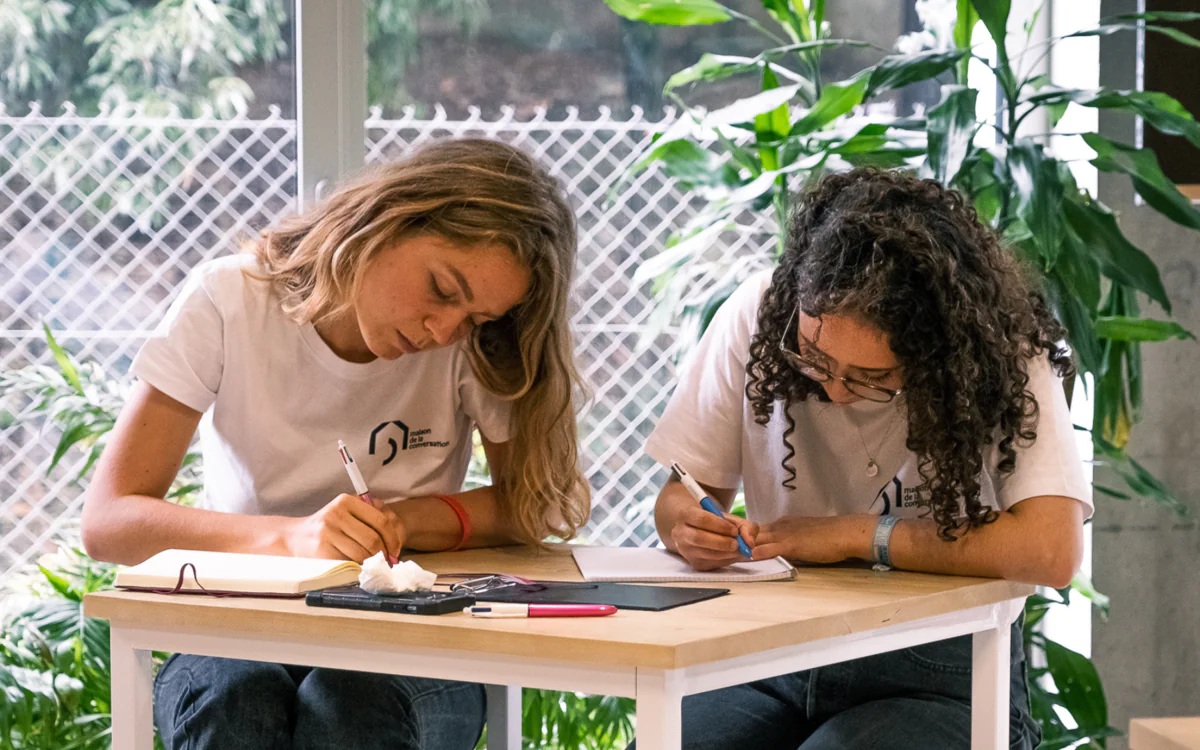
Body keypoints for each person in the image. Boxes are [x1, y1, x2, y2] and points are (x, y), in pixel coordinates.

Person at [81, 138, 590, 750]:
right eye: (443, 288)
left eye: (477, 318)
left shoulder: (471, 345)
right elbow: (110, 521)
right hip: (241, 625)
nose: (444, 330)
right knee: (234, 703)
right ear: (386, 220)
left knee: (351, 704)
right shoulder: (230, 299)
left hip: (415, 637)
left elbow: (539, 504)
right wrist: (292, 538)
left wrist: (401, 522)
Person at [640, 168, 1090, 749]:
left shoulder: (1000, 348)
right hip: (767, 656)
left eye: (873, 377)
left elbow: (1050, 551)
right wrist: (687, 527)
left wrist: (858, 535)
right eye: (813, 357)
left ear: (937, 348)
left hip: (940, 671)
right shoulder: (758, 312)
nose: (835, 391)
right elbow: (682, 492)